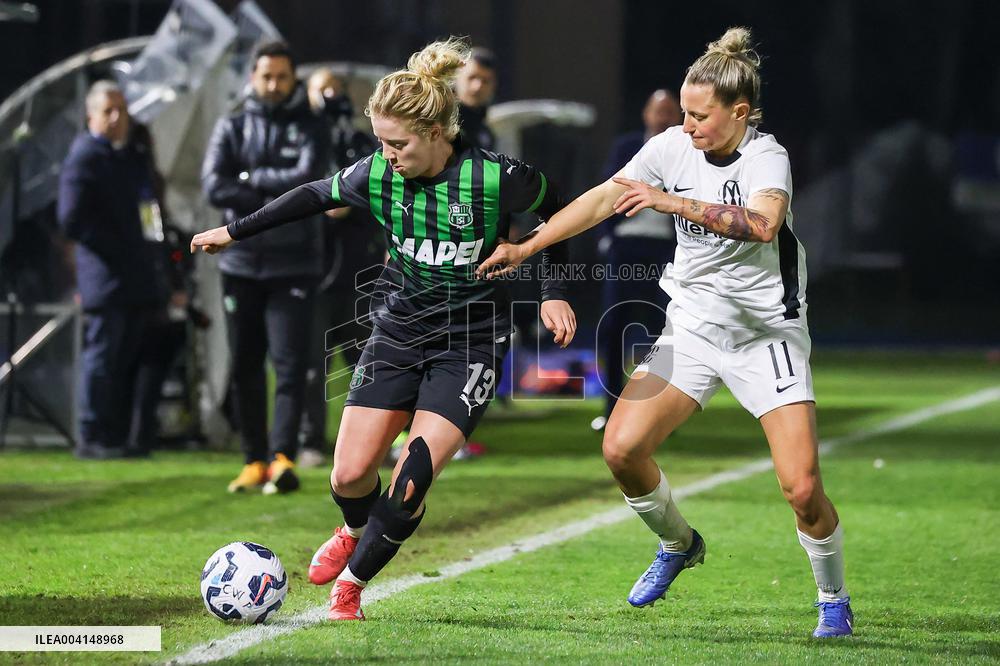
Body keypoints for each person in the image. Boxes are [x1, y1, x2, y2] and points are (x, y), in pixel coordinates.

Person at [477, 27, 853, 638]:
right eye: (683, 112)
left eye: (700, 116)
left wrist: (666, 202)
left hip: (768, 335)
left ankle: (832, 598)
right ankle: (679, 544)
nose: (688, 126)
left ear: (740, 113)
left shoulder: (766, 156)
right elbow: (602, 198)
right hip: (694, 330)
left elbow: (760, 225)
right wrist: (526, 247)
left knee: (802, 487)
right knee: (621, 449)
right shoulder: (670, 146)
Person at [191, 38, 577, 621]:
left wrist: (551, 291)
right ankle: (354, 529)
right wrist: (234, 232)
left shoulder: (496, 178)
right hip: (397, 331)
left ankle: (350, 584)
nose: (386, 154)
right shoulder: (378, 173)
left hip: (469, 341)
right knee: (348, 475)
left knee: (410, 477)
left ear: (436, 133)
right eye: (380, 141)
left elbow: (562, 211)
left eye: (397, 143)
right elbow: (311, 195)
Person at [202, 40, 328, 494]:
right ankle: (253, 459)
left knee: (291, 366)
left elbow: (310, 183)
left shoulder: (312, 125)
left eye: (282, 76)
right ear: (253, 77)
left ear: (293, 79)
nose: (273, 85)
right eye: (266, 76)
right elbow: (213, 186)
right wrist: (274, 192)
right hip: (240, 262)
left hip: (294, 263)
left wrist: (249, 180)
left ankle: (282, 457)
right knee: (245, 366)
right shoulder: (232, 124)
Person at [57, 80, 167, 460]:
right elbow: (70, 219)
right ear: (91, 115)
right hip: (105, 277)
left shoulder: (129, 156)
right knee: (102, 357)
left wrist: (153, 248)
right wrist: (119, 248)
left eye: (121, 109)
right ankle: (92, 435)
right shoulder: (85, 156)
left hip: (135, 275)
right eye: (108, 111)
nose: (117, 118)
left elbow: (149, 207)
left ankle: (116, 435)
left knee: (123, 358)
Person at [296, 68, 381, 469]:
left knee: (369, 362)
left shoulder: (361, 143)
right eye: (321, 89)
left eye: (336, 89)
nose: (330, 96)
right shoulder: (302, 140)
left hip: (359, 271)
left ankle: (375, 443)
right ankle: (310, 440)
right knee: (314, 365)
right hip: (312, 271)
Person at [593, 89, 682, 432]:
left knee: (670, 328)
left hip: (666, 250)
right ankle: (611, 407)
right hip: (626, 247)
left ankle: (660, 411)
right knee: (614, 325)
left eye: (669, 112)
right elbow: (605, 190)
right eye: (657, 111)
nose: (662, 118)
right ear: (646, 114)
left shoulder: (685, 152)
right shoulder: (628, 147)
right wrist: (605, 237)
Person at [455, 47, 498, 150]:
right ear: (456, 79)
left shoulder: (485, 132)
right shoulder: (440, 124)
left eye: (485, 81)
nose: (478, 86)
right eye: (471, 77)